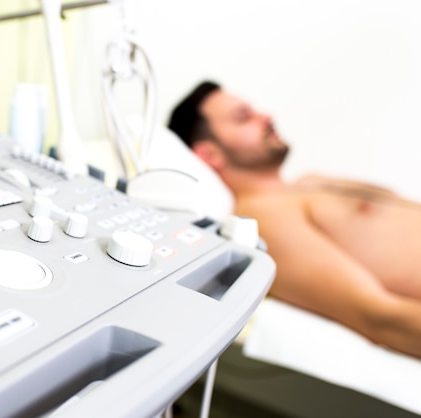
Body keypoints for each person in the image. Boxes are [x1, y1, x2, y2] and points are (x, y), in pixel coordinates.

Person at [168, 81, 421, 358]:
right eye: (244, 118)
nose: (266, 117)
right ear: (210, 154)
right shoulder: (262, 217)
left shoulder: (313, 183)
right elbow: (379, 317)